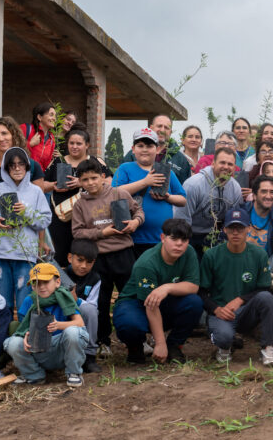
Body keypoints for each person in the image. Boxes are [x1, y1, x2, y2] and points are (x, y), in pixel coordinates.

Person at [71, 158, 144, 349]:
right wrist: (102, 233)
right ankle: (103, 341)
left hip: (124, 253)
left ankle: (137, 340)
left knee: (131, 296)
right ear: (80, 181)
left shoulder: (119, 193)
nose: (90, 183)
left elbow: (139, 212)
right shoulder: (80, 204)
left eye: (94, 178)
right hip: (98, 258)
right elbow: (77, 232)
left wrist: (135, 222)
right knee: (101, 301)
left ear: (103, 176)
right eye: (85, 180)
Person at [112, 218, 204, 364]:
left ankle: (174, 346)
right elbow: (151, 305)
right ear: (163, 238)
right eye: (174, 239)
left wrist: (166, 287)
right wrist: (159, 343)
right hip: (137, 303)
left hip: (165, 301)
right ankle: (135, 348)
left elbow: (193, 286)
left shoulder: (189, 253)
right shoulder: (147, 263)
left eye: (184, 240)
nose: (179, 244)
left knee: (194, 303)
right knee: (129, 323)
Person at [200, 208, 273, 364]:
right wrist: (216, 309)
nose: (236, 233)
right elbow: (201, 291)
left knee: (267, 298)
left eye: (240, 228)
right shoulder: (211, 255)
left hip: (246, 312)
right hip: (220, 312)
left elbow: (264, 287)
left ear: (248, 229)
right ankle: (225, 345)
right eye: (232, 228)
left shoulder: (258, 254)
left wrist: (241, 299)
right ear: (225, 230)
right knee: (223, 338)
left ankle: (268, 348)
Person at [0, 147, 52, 315]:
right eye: (12, 165)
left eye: (21, 164)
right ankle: (3, 338)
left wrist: (26, 212)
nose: (17, 168)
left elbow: (45, 220)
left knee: (24, 302)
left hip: (25, 254)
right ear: (6, 168)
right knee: (2, 302)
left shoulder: (35, 191)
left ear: (27, 166)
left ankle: (21, 339)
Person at [4, 263, 88, 387]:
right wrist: (27, 334)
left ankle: (73, 373)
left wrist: (59, 325)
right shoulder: (30, 300)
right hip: (38, 348)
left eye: (46, 282)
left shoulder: (64, 297)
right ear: (32, 286)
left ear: (58, 282)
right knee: (12, 343)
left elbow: (79, 323)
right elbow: (24, 327)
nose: (41, 287)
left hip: (60, 348)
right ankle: (34, 375)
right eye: (37, 283)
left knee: (73, 332)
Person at [40, 127, 110, 266]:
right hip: (61, 217)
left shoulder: (95, 162)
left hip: (89, 217)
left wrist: (82, 182)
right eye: (71, 143)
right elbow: (40, 185)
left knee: (85, 253)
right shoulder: (57, 161)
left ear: (87, 145)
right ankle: (64, 285)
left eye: (79, 144)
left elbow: (109, 182)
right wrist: (52, 186)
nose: (74, 147)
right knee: (60, 255)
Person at [114, 128, 188, 257]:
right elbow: (114, 193)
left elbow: (183, 200)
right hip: (131, 238)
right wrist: (145, 182)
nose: (144, 149)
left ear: (157, 149)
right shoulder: (125, 168)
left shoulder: (166, 171)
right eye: (140, 146)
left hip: (160, 238)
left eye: (149, 146)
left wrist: (168, 197)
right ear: (133, 149)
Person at [177, 147, 244, 255]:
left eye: (230, 164)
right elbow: (182, 220)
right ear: (213, 163)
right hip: (190, 234)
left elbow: (232, 220)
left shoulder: (235, 188)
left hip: (216, 236)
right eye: (222, 163)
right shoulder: (194, 185)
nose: (226, 167)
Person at [0, 117, 44, 203]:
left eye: (4, 133)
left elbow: (39, 203)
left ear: (13, 135)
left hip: (24, 216)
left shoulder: (32, 166)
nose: (1, 139)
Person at [64, 239, 102, 370]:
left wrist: (77, 300)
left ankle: (89, 356)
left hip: (82, 314)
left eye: (89, 262)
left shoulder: (95, 279)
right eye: (79, 260)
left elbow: (92, 305)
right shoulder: (60, 275)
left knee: (91, 311)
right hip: (62, 315)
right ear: (70, 258)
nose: (84, 266)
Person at [121, 115, 193, 183]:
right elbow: (119, 186)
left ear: (170, 132)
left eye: (166, 128)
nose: (162, 130)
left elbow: (184, 189)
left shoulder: (180, 159)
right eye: (159, 126)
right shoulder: (133, 154)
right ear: (151, 128)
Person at [243, 175, 273, 278]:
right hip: (237, 267)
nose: (268, 196)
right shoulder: (240, 213)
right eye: (264, 191)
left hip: (262, 273)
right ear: (254, 195)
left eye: (272, 192)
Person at [21, 102, 57, 171]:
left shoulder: (51, 139)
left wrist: (56, 159)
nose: (54, 119)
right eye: (51, 115)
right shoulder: (25, 129)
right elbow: (12, 149)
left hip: (38, 178)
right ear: (40, 117)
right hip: (22, 175)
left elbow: (46, 166)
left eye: (55, 116)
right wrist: (30, 144)